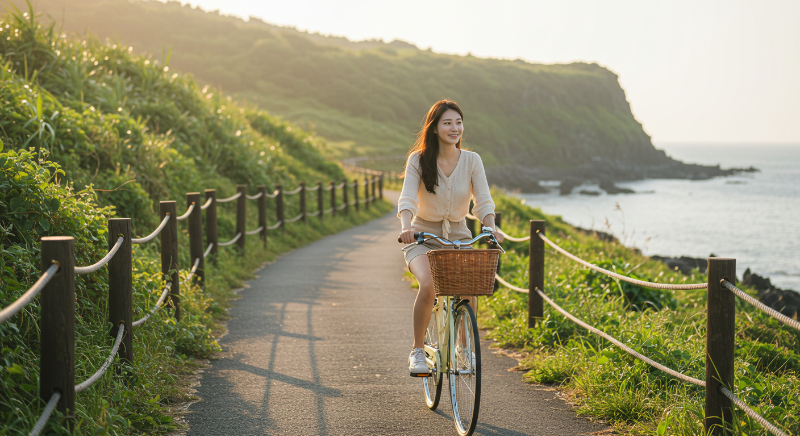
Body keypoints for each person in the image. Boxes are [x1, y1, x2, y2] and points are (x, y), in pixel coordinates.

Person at [397, 99, 503, 375]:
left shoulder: (472, 160)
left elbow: (483, 201)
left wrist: (492, 227)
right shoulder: (418, 160)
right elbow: (407, 198)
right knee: (429, 284)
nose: (455, 128)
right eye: (447, 123)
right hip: (421, 236)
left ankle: (463, 347)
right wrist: (406, 228)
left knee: (469, 287)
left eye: (458, 122)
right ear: (434, 128)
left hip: (459, 236)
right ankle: (417, 350)